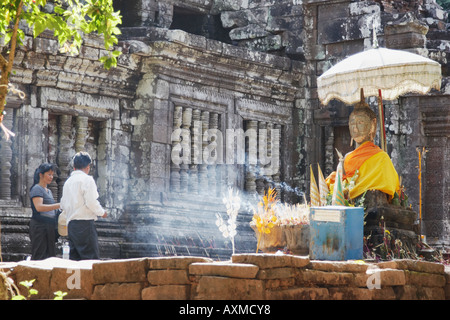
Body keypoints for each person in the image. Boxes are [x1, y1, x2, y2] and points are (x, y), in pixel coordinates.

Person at [326, 101, 400, 200]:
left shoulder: (381, 158)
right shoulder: (347, 157)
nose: (355, 128)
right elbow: (341, 184)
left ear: (372, 125)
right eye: (352, 122)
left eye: (360, 122)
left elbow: (385, 188)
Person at [60, 151, 107, 260]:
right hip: (85, 225)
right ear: (88, 166)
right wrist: (102, 212)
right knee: (90, 259)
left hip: (72, 225)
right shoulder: (87, 180)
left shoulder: (68, 182)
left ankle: (76, 278)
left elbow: (63, 204)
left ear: (74, 166)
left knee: (75, 259)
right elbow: (91, 202)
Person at [29, 163, 60, 260]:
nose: (51, 177)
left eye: (52, 175)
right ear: (41, 175)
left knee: (50, 256)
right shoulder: (37, 188)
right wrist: (59, 205)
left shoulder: (48, 191)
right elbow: (39, 207)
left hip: (49, 226)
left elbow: (51, 209)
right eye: (49, 174)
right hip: (40, 226)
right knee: (40, 255)